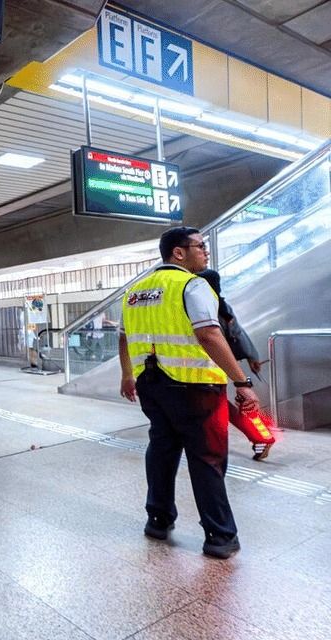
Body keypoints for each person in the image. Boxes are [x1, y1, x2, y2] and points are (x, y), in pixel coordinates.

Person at [118, 227, 261, 560]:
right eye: (200, 246)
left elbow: (124, 338)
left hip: (150, 385)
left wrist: (127, 374)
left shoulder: (136, 291)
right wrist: (241, 382)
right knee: (207, 458)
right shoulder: (192, 285)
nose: (206, 252)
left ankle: (157, 520)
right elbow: (209, 334)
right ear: (177, 253)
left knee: (162, 450)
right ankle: (219, 536)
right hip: (194, 387)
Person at [198, 269, 276, 461]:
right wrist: (251, 355)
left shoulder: (202, 306)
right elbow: (238, 333)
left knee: (224, 408)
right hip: (222, 364)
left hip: (207, 365)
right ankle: (261, 435)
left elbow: (209, 337)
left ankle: (261, 436)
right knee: (226, 406)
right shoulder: (222, 306)